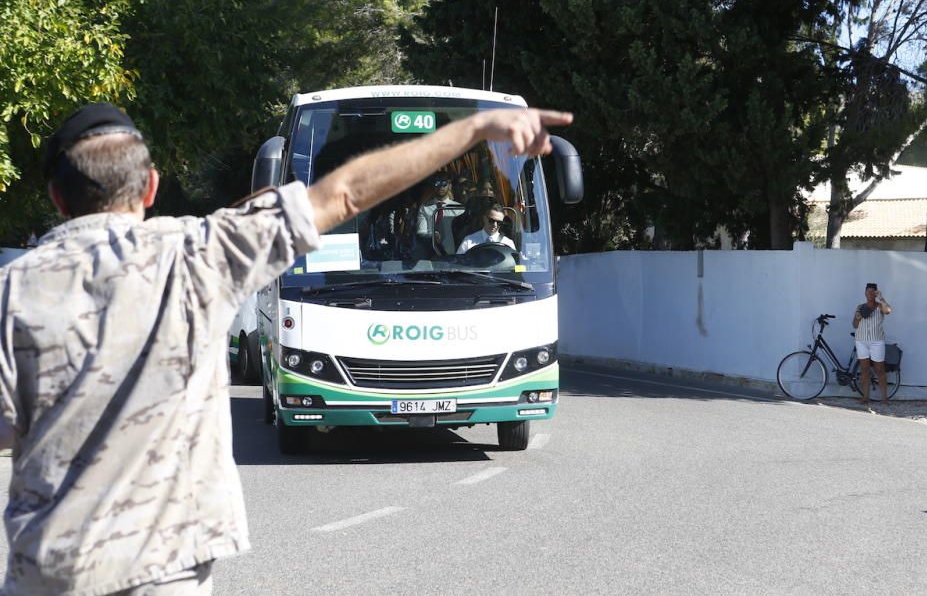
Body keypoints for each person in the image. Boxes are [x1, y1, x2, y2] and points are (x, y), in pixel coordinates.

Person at [0, 102, 571, 595]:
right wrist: (472, 132)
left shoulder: (13, 292)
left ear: (56, 197)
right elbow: (344, 193)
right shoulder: (200, 255)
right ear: (149, 188)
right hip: (166, 563)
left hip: (49, 566)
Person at [852, 282, 894, 404]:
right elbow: (854, 324)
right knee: (864, 369)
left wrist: (881, 298)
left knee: (879, 369)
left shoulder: (880, 306)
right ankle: (865, 397)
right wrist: (858, 318)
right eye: (868, 291)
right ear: (865, 293)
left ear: (875, 293)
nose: (870, 294)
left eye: (872, 292)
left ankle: (885, 398)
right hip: (861, 341)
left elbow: (889, 311)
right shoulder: (860, 307)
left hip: (876, 341)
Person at [413, 173, 462, 256]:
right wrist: (432, 236)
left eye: (444, 184)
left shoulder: (458, 208)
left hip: (453, 251)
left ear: (450, 186)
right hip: (430, 251)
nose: (441, 187)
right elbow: (421, 231)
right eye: (437, 183)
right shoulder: (425, 207)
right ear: (433, 186)